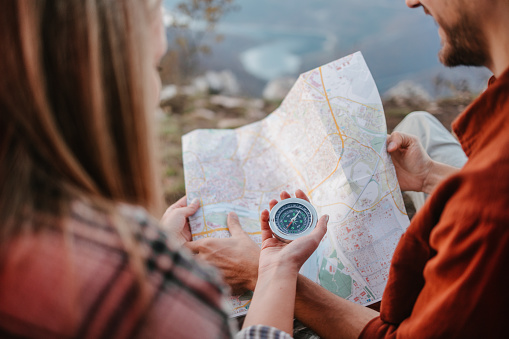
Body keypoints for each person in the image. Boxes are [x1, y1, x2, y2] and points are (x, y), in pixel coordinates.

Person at [0, 1, 327, 338]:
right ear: (105, 87)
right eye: (154, 65)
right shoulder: (142, 290)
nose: (155, 92)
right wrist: (276, 268)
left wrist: (155, 247)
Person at [188, 0, 509, 337]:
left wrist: (267, 272)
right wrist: (429, 176)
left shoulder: (487, 210)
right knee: (419, 125)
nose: (412, 2)